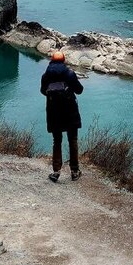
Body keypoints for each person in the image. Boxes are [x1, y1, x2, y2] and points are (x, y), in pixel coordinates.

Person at [40, 50, 84, 182]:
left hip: (54, 112)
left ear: (51, 61)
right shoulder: (69, 74)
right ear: (64, 60)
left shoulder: (46, 76)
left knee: (57, 141)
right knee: (73, 140)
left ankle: (56, 171)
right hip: (70, 111)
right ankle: (75, 171)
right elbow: (79, 90)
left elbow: (43, 91)